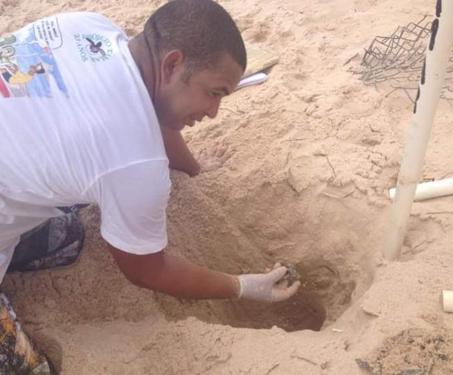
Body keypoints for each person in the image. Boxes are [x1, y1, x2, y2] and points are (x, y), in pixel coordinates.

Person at [0, 0, 300, 372]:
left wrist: (193, 167)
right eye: (215, 93)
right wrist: (241, 286)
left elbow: (151, 111)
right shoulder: (134, 162)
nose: (213, 113)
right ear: (172, 64)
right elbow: (145, 270)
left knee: (70, 235)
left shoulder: (89, 28)